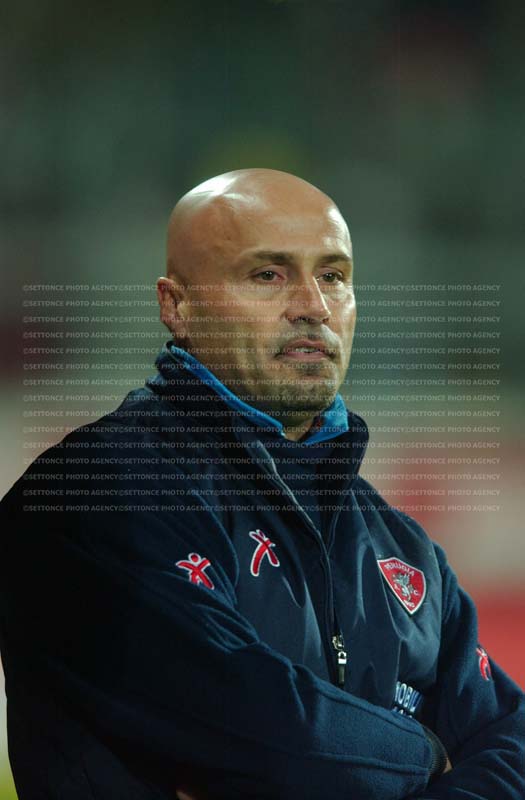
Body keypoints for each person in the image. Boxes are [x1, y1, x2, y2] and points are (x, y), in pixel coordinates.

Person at [0, 168, 523, 800]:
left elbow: (511, 739)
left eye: (333, 276)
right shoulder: (92, 492)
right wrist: (429, 755)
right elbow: (264, 734)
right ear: (176, 306)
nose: (313, 305)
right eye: (268, 274)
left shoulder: (404, 549)